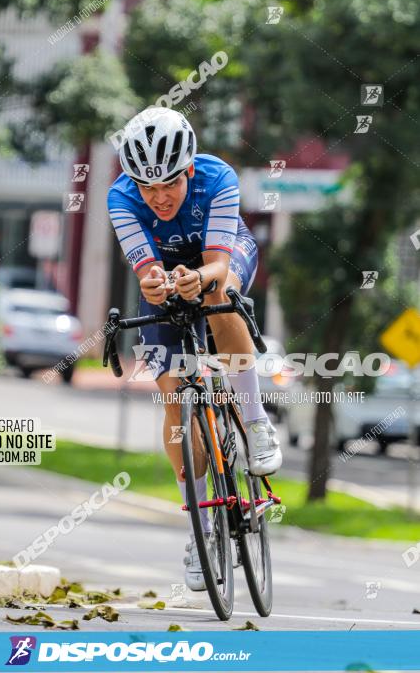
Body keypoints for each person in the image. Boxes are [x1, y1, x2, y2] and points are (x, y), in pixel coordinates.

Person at [107, 107, 282, 591]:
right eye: (148, 187)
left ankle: (254, 421)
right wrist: (158, 284)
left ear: (188, 170)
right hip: (166, 276)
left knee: (218, 299)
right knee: (174, 400)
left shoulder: (216, 178)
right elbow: (144, 271)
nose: (159, 197)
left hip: (219, 260)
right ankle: (199, 529)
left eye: (169, 185)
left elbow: (218, 266)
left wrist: (196, 279)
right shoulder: (121, 197)